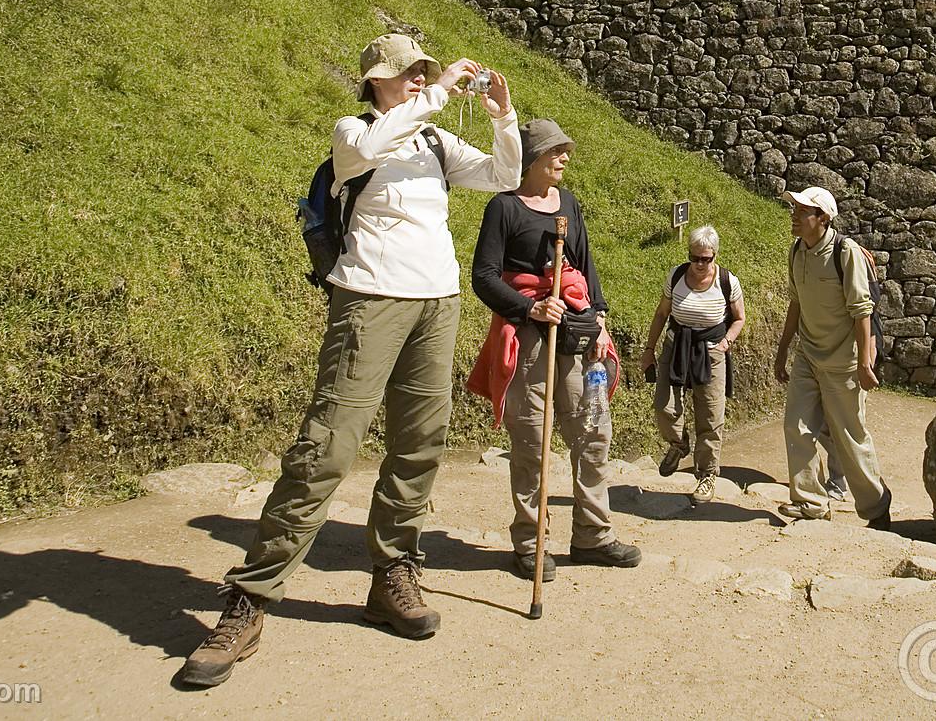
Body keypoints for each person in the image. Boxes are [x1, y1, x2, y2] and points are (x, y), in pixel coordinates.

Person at [181, 36, 518, 689]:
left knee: (420, 444)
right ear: (378, 82)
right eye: (409, 73)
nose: (419, 80)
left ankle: (393, 576)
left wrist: (503, 115)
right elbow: (368, 149)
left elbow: (504, 177)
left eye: (423, 71)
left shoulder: (434, 144)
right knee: (326, 450)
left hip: (437, 302)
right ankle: (248, 600)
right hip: (367, 301)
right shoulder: (355, 132)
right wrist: (445, 89)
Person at [468, 119, 642, 578]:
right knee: (532, 443)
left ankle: (593, 535)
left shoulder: (568, 203)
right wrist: (529, 311)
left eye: (564, 150)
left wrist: (599, 317)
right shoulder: (503, 208)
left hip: (577, 331)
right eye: (554, 152)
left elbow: (584, 263)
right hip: (529, 339)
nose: (564, 157)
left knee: (593, 433)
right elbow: (483, 277)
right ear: (531, 160)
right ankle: (530, 544)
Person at [772, 186, 892, 527]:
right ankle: (810, 502)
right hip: (808, 355)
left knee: (850, 437)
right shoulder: (797, 251)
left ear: (823, 218)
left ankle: (876, 507)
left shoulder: (846, 253)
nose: (794, 216)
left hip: (844, 362)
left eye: (801, 211)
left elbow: (861, 311)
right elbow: (796, 304)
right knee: (795, 425)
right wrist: (782, 352)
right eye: (794, 209)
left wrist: (865, 364)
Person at [640, 224, 744, 504]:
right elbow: (662, 313)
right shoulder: (676, 275)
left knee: (710, 416)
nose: (699, 264)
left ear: (715, 256)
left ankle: (707, 475)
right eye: (694, 257)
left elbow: (739, 318)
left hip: (711, 352)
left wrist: (726, 343)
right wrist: (649, 349)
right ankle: (678, 443)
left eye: (705, 259)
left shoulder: (727, 281)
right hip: (676, 347)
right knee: (665, 406)